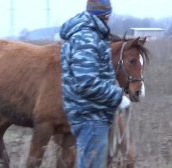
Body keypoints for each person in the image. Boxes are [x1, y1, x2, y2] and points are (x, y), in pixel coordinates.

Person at [59, 0, 130, 167]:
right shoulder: (87, 38)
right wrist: (117, 97)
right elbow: (87, 82)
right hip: (91, 116)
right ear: (106, 15)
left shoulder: (87, 35)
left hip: (90, 114)